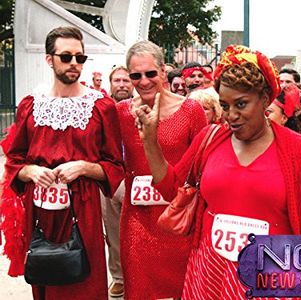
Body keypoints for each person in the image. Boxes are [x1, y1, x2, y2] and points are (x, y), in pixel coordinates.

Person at [135, 44, 301, 299]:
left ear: (265, 99)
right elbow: (172, 189)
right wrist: (150, 141)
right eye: (225, 105)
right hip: (210, 272)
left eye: (241, 104)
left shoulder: (298, 149)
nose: (231, 115)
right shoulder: (209, 139)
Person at [3, 26, 124, 299]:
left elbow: (115, 165)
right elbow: (14, 160)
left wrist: (84, 167)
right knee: (46, 276)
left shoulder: (100, 106)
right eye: (66, 57)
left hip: (84, 208)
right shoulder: (30, 105)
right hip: (41, 210)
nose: (74, 64)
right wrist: (31, 171)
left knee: (83, 281)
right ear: (49, 59)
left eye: (80, 58)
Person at [116, 40, 207, 299]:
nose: (143, 81)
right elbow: (109, 159)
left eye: (150, 74)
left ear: (164, 72)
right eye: (135, 75)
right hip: (137, 224)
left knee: (181, 290)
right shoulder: (121, 113)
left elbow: (201, 168)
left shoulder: (191, 110)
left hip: (178, 223)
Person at [101, 65, 134, 298]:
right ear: (110, 84)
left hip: (138, 179)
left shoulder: (141, 108)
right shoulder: (101, 110)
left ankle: (139, 275)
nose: (122, 84)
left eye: (126, 80)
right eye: (117, 80)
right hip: (108, 180)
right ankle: (119, 278)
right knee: (113, 233)